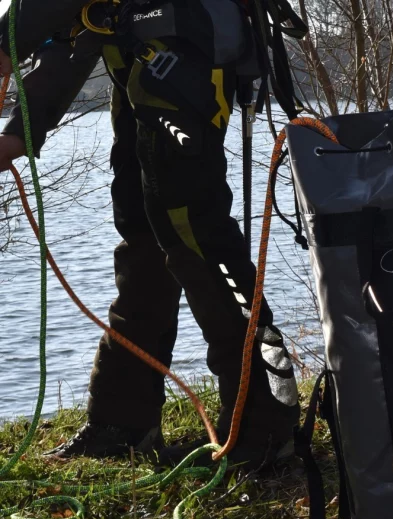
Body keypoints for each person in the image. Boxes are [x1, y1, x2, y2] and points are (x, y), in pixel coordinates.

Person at [0, 0, 300, 468]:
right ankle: (123, 423)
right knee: (143, 232)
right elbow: (79, 25)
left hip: (182, 53)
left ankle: (263, 427)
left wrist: (6, 43)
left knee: (193, 229)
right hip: (141, 59)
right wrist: (21, 130)